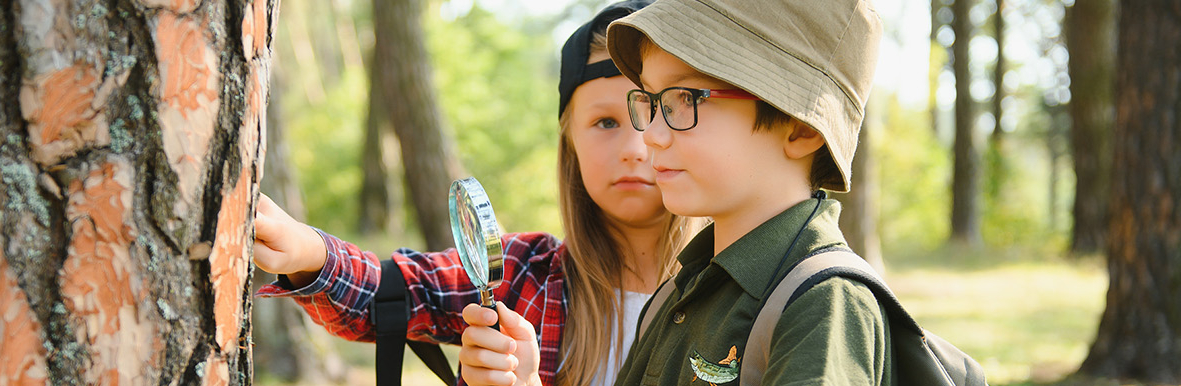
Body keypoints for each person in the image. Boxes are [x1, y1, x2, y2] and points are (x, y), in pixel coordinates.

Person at [251, 1, 703, 385]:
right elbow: (391, 292)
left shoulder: (744, 294)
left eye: (656, 111)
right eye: (605, 122)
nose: (633, 148)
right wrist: (307, 252)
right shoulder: (524, 273)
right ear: (570, 144)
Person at [577, 0, 888, 384]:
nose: (651, 137)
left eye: (684, 99)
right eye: (653, 102)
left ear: (801, 127)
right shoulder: (678, 293)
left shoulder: (823, 305)